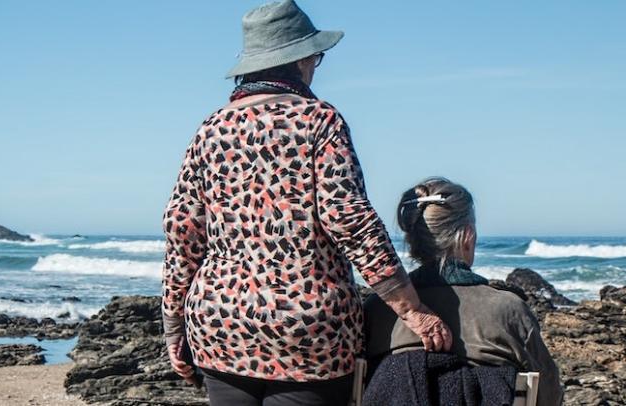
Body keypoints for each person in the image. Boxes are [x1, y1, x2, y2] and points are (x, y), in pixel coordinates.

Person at [162, 2, 452, 405]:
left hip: (220, 325)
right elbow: (349, 219)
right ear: (298, 61)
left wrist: (174, 324)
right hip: (309, 332)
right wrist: (411, 308)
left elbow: (182, 233)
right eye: (316, 57)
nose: (316, 66)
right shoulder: (320, 121)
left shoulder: (211, 129)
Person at [362, 177, 563, 405]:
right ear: (467, 236)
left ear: (412, 240)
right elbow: (548, 394)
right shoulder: (509, 310)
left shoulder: (376, 310)